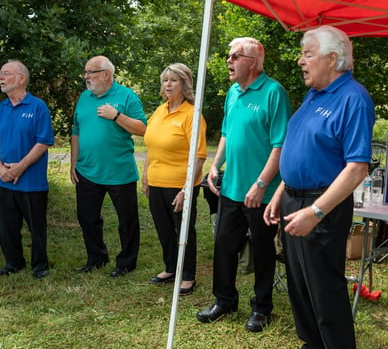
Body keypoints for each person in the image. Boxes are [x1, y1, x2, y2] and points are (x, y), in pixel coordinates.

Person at [264, 26, 373, 349]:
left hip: (322, 204)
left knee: (325, 286)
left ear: (332, 58)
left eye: (308, 53)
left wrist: (316, 211)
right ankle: (313, 347)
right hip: (295, 200)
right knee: (298, 280)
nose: (301, 60)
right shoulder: (315, 93)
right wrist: (281, 192)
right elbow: (300, 148)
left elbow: (357, 167)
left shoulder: (353, 98)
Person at [196, 37, 291, 332]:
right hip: (232, 188)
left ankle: (261, 307)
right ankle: (224, 300)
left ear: (253, 61)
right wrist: (215, 165)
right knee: (224, 244)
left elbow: (280, 144)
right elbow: (226, 133)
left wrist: (262, 184)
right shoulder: (233, 92)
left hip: (261, 193)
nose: (228, 60)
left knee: (262, 250)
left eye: (235, 56)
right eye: (229, 56)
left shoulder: (274, 92)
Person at [71, 55, 147, 277]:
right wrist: (73, 162)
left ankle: (126, 262)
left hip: (119, 171)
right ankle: (96, 258)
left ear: (106, 74)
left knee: (127, 220)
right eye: (85, 72)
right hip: (86, 170)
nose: (86, 77)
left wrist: (116, 116)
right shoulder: (84, 98)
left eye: (90, 72)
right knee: (87, 217)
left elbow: (142, 128)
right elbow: (76, 130)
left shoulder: (126, 96)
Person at [142, 63, 207, 296]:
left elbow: (199, 157)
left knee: (183, 230)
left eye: (173, 80)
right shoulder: (159, 111)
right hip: (156, 182)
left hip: (179, 185)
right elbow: (151, 146)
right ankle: (171, 268)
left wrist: (186, 190)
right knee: (164, 228)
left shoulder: (192, 114)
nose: (168, 84)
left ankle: (187, 275)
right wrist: (145, 176)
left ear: (185, 84)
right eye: (165, 80)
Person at [0, 60, 54, 279]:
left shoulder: (37, 106)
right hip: (1, 179)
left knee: (36, 225)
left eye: (5, 73)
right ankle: (13, 263)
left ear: (21, 78)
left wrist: (19, 168)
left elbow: (43, 142)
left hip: (31, 180)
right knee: (6, 226)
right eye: (0, 74)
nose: (0, 78)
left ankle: (40, 265)